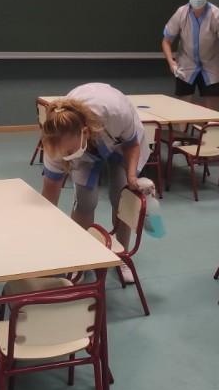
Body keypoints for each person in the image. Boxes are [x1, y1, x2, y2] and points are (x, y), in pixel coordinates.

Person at [40, 83, 149, 283]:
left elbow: (132, 144)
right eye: (64, 153)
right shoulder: (55, 146)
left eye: (69, 150)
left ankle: (122, 256)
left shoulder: (116, 112)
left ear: (85, 132)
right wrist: (44, 233)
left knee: (121, 197)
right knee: (85, 201)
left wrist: (132, 177)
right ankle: (81, 258)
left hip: (119, 143)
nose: (66, 155)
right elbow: (49, 196)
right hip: (85, 152)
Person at [161, 0, 219, 98]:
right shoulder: (181, 13)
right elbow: (166, 41)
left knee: (211, 107)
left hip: (212, 66)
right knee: (183, 106)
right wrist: (171, 63)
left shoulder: (217, 15)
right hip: (186, 65)